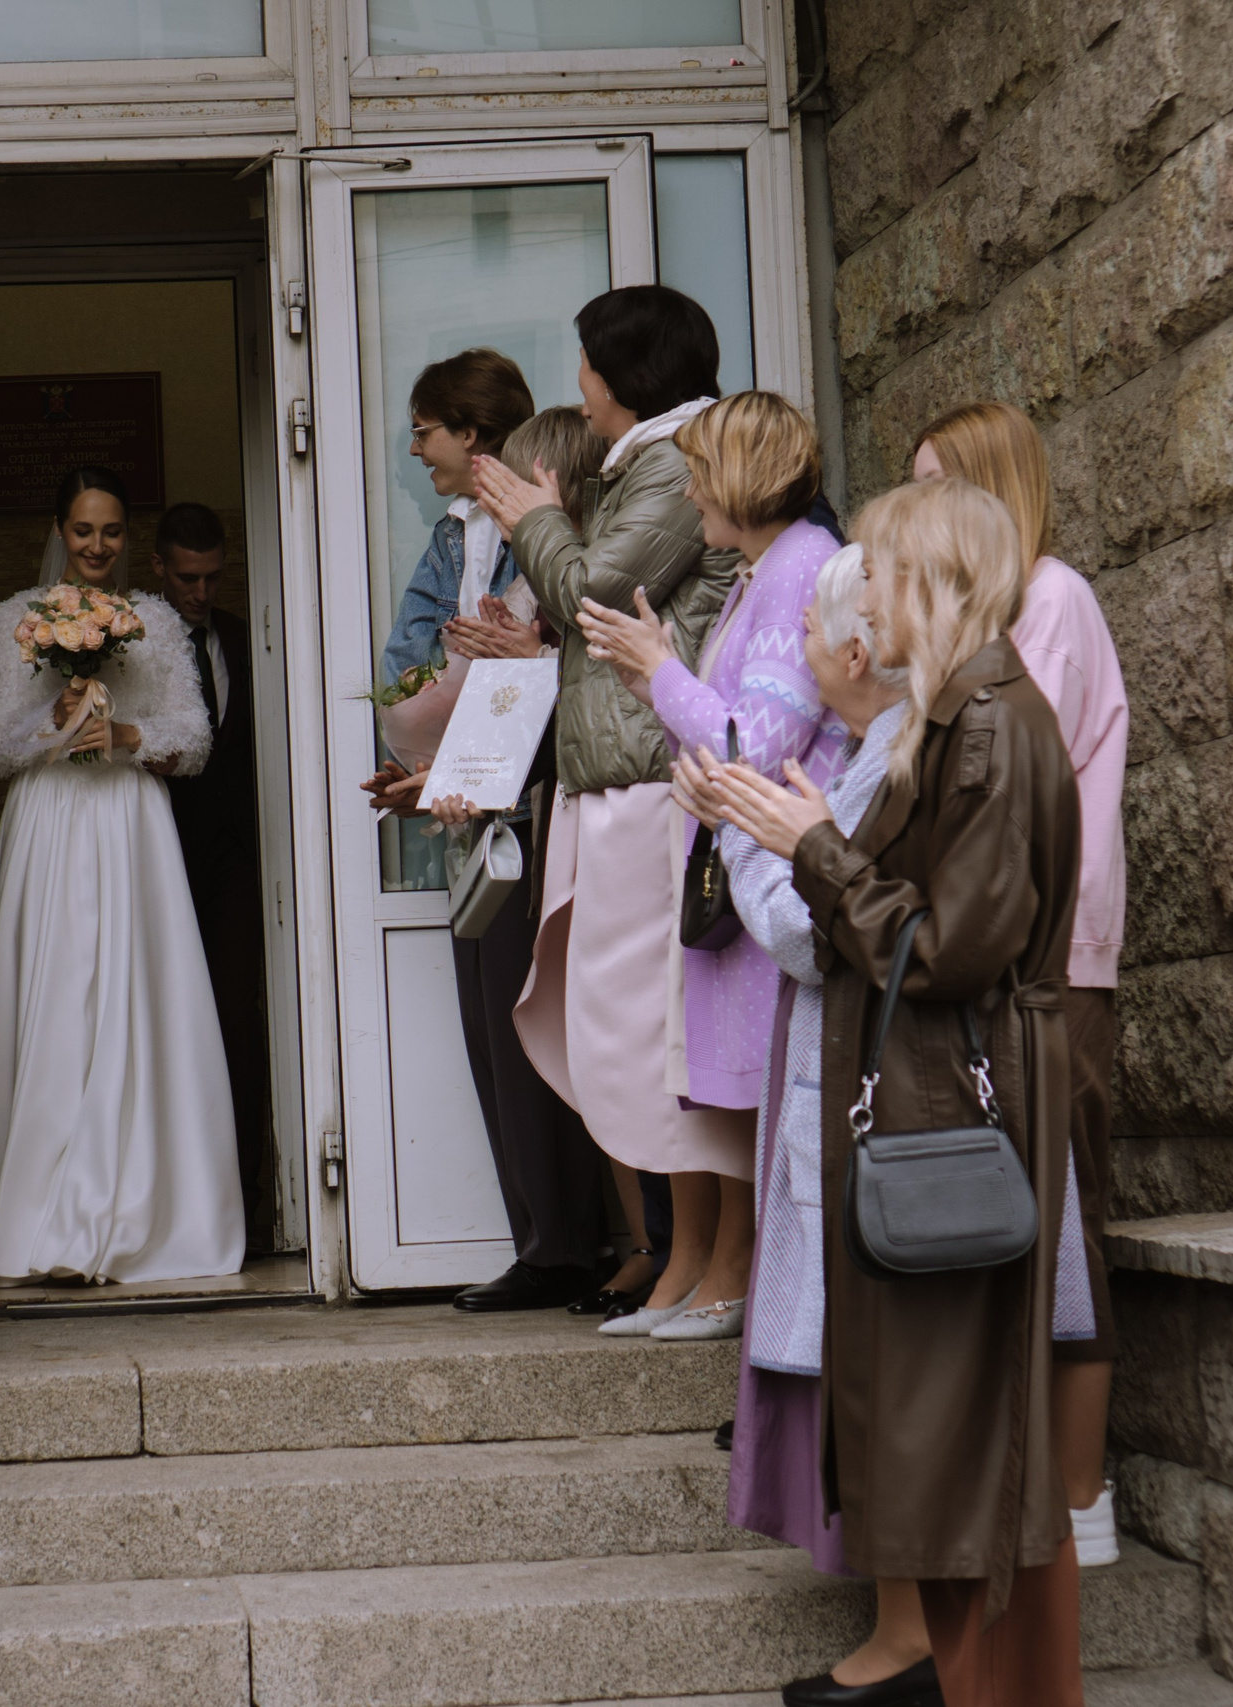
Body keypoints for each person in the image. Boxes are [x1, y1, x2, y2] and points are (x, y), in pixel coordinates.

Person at [700, 478, 1087, 1707]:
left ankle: (985, 1684)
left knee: (967, 1439)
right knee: (944, 1437)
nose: (860, 597)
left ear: (928, 582)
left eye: (878, 570)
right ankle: (948, 1672)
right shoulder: (965, 717)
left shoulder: (988, 726)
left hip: (959, 1100)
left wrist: (812, 847)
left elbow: (948, 951)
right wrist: (815, 838)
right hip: (939, 1096)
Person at [671, 542, 920, 1695]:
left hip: (869, 1091)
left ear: (857, 651)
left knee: (873, 1364)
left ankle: (906, 1633)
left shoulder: (880, 770)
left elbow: (799, 932)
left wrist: (734, 826)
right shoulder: (876, 753)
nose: (803, 657)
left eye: (813, 638)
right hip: (852, 1082)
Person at [463, 283, 737, 1314]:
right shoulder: (647, 463)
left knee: (667, 1036)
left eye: (586, 363)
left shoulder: (672, 464)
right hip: (606, 782)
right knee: (625, 1035)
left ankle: (712, 1264)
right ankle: (685, 1259)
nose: (576, 385)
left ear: (626, 374)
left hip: (651, 781)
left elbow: (591, 595)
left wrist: (533, 518)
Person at [569, 392, 845, 1344]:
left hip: (773, 880)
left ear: (739, 477)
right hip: (742, 869)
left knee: (777, 1116)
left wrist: (655, 672)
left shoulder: (797, 565)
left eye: (698, 472)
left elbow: (756, 741)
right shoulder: (765, 569)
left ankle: (765, 1309)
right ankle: (743, 1295)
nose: (687, 491)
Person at [913, 400, 1128, 1570]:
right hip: (1016, 958)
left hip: (1054, 964)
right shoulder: (1011, 609)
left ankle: (1084, 1496)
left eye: (940, 486)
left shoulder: (1050, 601)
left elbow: (1002, 784)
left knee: (1068, 1223)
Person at [0, 466, 243, 1283]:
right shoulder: (12, 621)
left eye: (113, 531)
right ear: (60, 529)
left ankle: (139, 1205)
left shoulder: (155, 621)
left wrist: (120, 732)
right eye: (84, 530)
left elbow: (191, 740)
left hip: (130, 822)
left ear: (130, 538)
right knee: (56, 997)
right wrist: (53, 724)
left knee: (135, 999)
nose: (98, 545)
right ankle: (45, 1210)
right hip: (52, 820)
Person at [414, 408, 619, 1313]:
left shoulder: (582, 582)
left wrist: (533, 655)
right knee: (493, 1036)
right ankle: (540, 1235)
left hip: (552, 822)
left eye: (516, 488)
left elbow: (580, 699)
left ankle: (575, 1242)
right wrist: (434, 775)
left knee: (538, 1034)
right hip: (500, 809)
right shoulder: (519, 576)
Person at [150, 502, 277, 1247]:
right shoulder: (139, 642)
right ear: (160, 566)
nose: (200, 591)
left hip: (234, 862)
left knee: (237, 1023)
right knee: (164, 1027)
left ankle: (250, 1203)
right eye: (187, 576)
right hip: (158, 852)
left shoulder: (242, 636)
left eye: (213, 576)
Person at [377, 347, 537, 687]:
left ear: (467, 433)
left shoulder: (546, 524)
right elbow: (403, 661)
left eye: (421, 433)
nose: (414, 449)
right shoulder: (450, 533)